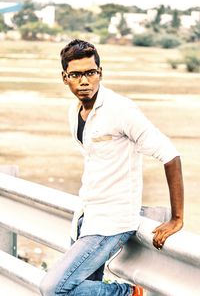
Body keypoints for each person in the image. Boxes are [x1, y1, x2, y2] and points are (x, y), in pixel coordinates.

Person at [39, 39, 184, 296]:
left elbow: (170, 154)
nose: (84, 81)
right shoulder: (75, 112)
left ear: (100, 73)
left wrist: (176, 219)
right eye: (76, 74)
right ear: (65, 78)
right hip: (85, 217)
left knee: (55, 289)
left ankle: (129, 293)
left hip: (111, 223)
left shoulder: (121, 109)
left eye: (90, 73)